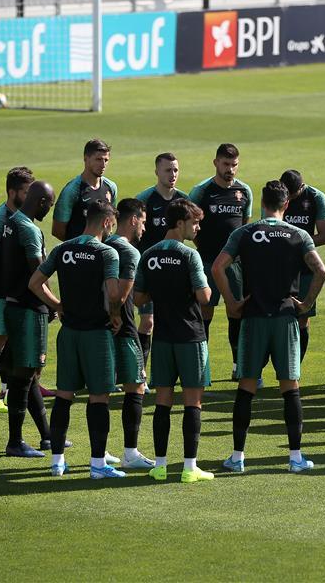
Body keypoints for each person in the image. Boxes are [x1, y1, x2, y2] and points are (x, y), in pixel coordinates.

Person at [214, 181, 325, 474]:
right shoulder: (299, 235)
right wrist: (305, 303)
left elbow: (218, 267)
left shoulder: (244, 233)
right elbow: (321, 270)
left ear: (263, 203)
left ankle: (237, 457)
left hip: (252, 318)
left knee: (246, 386)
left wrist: (232, 302)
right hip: (285, 318)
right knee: (290, 387)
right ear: (286, 205)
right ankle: (295, 458)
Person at [29, 199, 126, 479]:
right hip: (96, 334)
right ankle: (98, 465)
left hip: (69, 333)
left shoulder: (63, 248)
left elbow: (35, 283)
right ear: (107, 222)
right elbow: (112, 292)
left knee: (63, 395)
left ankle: (57, 462)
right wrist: (117, 314)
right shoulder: (107, 253)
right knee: (99, 398)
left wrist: (57, 305)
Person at [133, 199, 213, 482]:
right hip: (191, 336)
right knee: (193, 402)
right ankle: (190, 468)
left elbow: (138, 298)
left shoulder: (149, 255)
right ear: (180, 223)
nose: (198, 227)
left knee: (163, 401)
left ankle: (160, 465)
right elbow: (204, 298)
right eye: (195, 223)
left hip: (163, 338)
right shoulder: (190, 255)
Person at [0, 181, 57, 458]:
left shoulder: (11, 222)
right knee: (24, 375)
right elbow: (38, 277)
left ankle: (47, 437)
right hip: (28, 311)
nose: (50, 210)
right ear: (43, 202)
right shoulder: (29, 229)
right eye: (51, 204)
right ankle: (15, 442)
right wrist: (56, 305)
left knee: (29, 374)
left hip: (13, 305)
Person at [188, 143, 253, 379]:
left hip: (234, 266)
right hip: (206, 261)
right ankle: (201, 365)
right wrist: (204, 249)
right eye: (226, 164)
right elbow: (191, 226)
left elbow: (245, 227)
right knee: (205, 312)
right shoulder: (202, 191)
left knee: (236, 312)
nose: (230, 170)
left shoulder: (244, 191)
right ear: (215, 162)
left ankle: (238, 366)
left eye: (234, 165)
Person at [104, 198, 155, 469]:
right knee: (135, 385)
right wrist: (115, 314)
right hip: (122, 328)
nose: (144, 229)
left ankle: (98, 454)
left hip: (97, 329)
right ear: (133, 219)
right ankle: (130, 453)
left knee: (99, 391)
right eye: (143, 222)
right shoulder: (129, 252)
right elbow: (125, 297)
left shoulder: (104, 244)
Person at [0, 166, 34, 412]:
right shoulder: (1, 217)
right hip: (2, 289)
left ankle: (7, 388)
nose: (30, 196)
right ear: (12, 192)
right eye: (25, 191)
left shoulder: (24, 215)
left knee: (12, 339)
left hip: (18, 290)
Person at [135, 153, 188, 379]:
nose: (172, 175)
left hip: (175, 272)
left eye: (175, 170)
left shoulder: (184, 201)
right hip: (149, 270)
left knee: (172, 320)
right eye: (168, 170)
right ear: (157, 172)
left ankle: (169, 372)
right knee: (147, 321)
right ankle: (140, 371)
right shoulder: (145, 199)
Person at [279, 169, 325, 362]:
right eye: (287, 195)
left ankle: (295, 367)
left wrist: (294, 243)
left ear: (302, 187)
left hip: (306, 268)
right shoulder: (277, 194)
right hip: (281, 267)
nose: (289, 199)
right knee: (277, 317)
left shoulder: (316, 197)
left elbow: (324, 236)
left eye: (293, 195)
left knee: (302, 318)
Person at [52, 138, 118, 242]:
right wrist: (80, 246)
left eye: (106, 160)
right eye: (98, 159)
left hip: (101, 251)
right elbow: (57, 230)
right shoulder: (72, 190)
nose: (103, 165)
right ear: (86, 158)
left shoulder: (111, 187)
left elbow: (111, 221)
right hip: (78, 253)